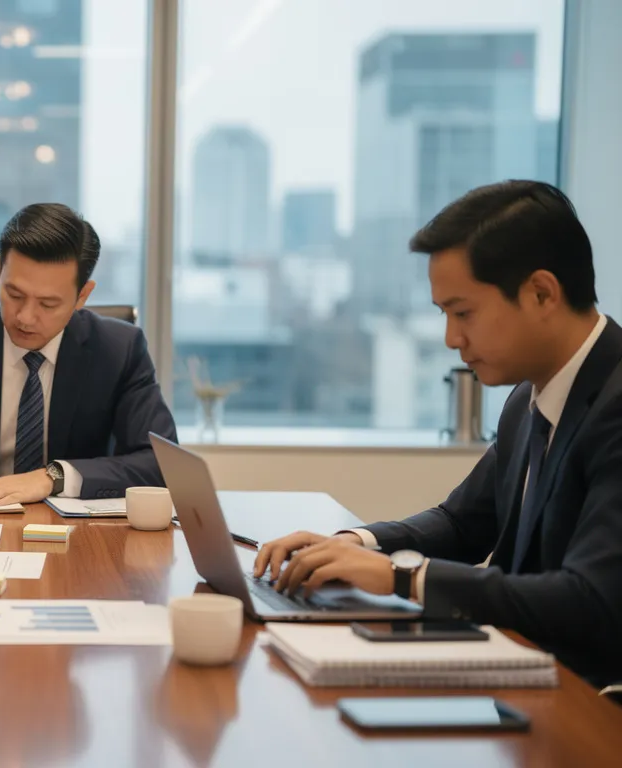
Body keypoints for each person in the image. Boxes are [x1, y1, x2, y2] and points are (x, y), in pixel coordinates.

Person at [253, 180, 622, 687]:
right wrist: (357, 544)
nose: (452, 339)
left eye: (463, 312)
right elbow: (462, 523)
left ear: (542, 293)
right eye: (444, 315)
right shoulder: (529, 398)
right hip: (529, 688)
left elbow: (591, 598)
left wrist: (404, 578)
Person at [0, 203, 179, 505]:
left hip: (79, 536)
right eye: (14, 295)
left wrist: (52, 477)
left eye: (48, 304)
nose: (25, 317)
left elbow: (160, 464)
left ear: (82, 295)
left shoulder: (119, 350)